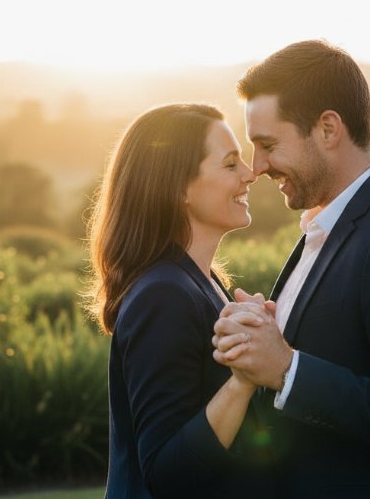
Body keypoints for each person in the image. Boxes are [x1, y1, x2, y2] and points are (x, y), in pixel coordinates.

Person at [212, 40, 370, 498]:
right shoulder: (325, 226)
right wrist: (264, 334)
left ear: (328, 129)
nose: (258, 167)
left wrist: (287, 369)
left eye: (268, 145)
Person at [89, 104, 271, 499]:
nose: (250, 173)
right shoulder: (163, 295)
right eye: (229, 164)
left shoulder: (205, 282)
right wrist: (242, 381)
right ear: (178, 188)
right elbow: (167, 473)